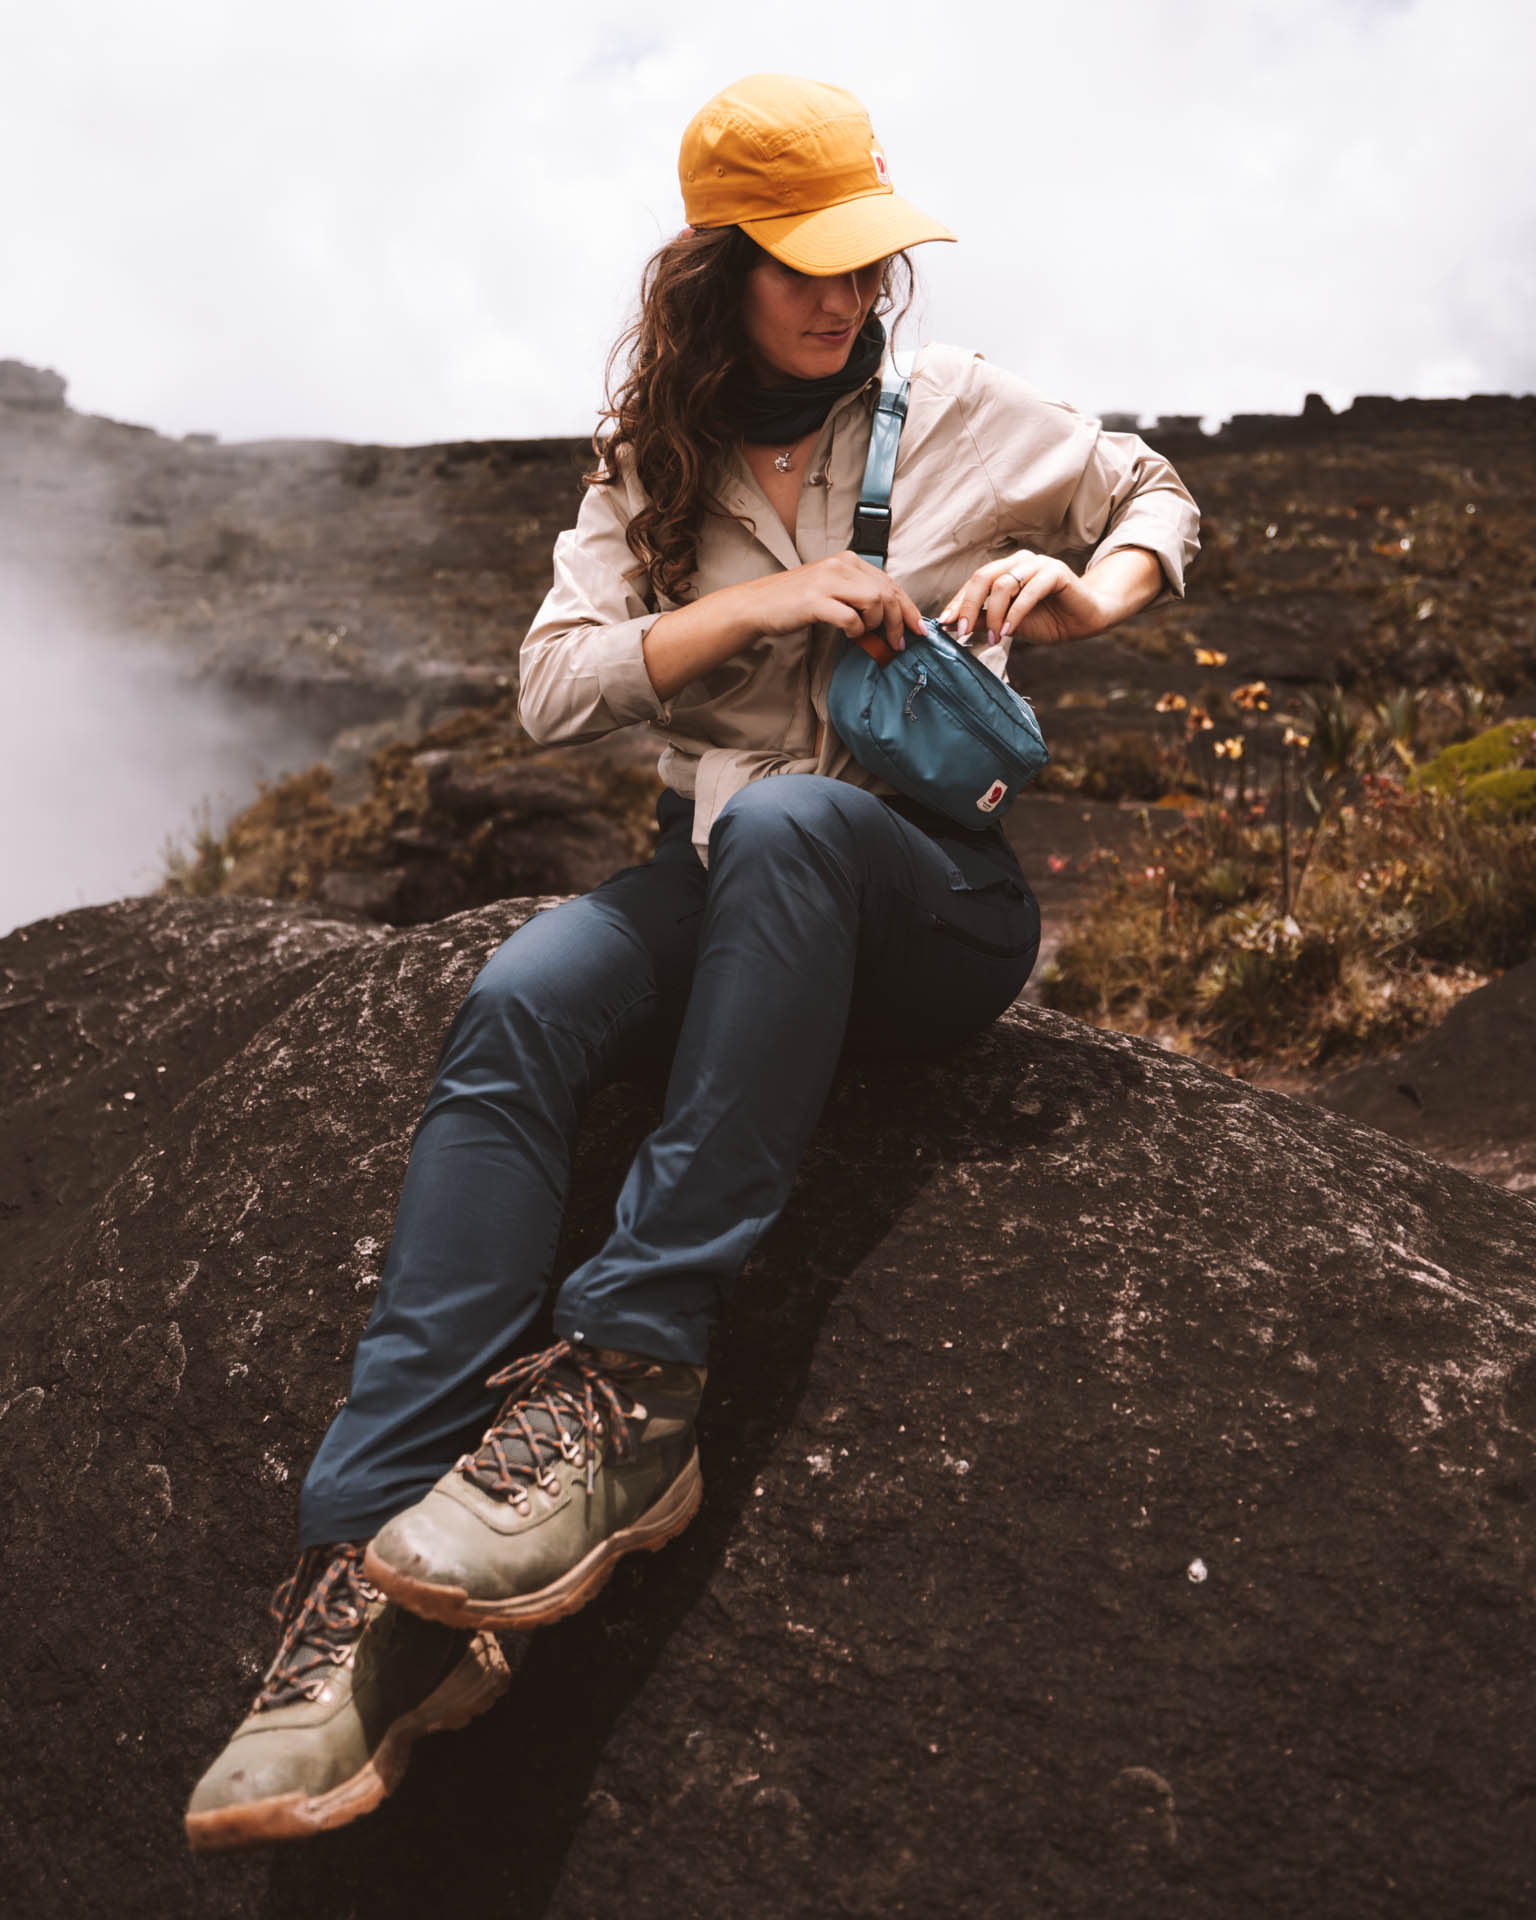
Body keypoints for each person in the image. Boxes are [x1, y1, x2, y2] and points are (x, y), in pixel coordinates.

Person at [185, 72, 1199, 1851]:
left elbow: (1151, 485)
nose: (846, 296)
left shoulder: (953, 407)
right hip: (725, 876)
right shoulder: (648, 462)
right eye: (806, 264)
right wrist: (752, 607)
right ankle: (370, 1564)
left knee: (804, 834)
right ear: (717, 266)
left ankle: (632, 1395)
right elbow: (553, 686)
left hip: (928, 898)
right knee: (523, 998)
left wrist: (1090, 589)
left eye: (869, 260)